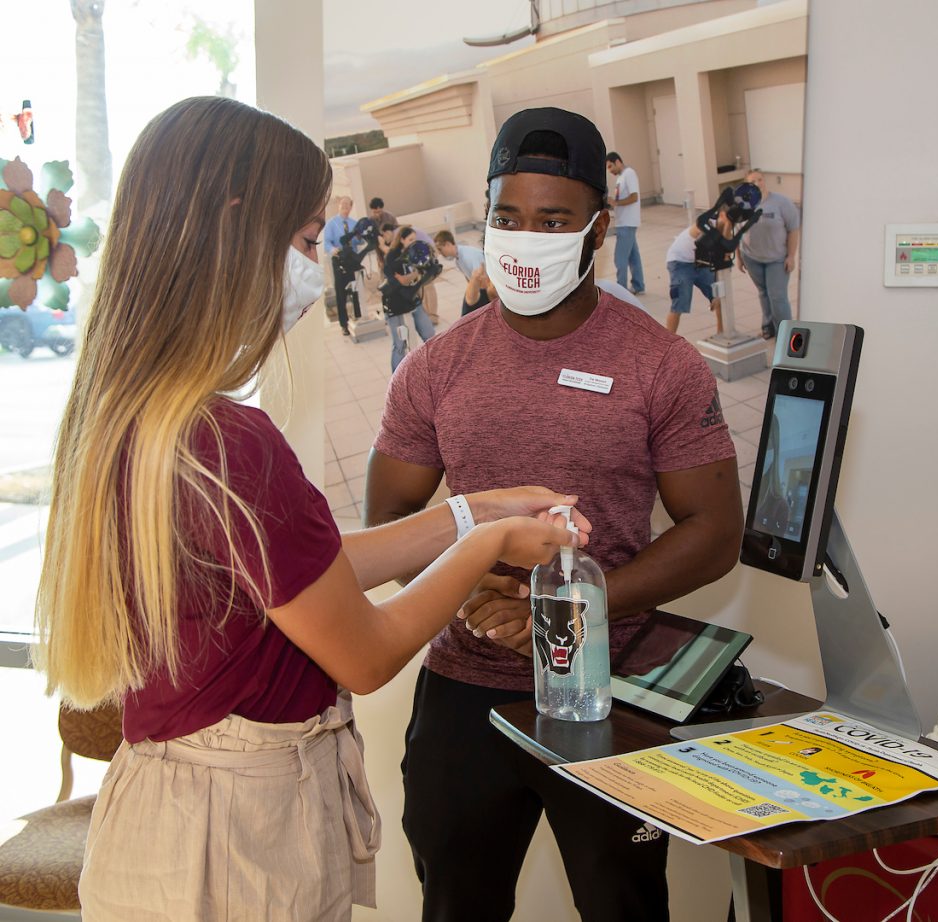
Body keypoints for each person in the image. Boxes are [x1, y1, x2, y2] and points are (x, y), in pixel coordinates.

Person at [33, 96, 590, 922]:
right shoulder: (229, 443)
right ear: (235, 227)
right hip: (238, 846)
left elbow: (305, 573)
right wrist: (495, 544)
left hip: (164, 817)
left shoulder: (141, 415)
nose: (310, 265)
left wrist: (472, 510)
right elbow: (362, 654)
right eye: (301, 242)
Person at [365, 106, 743, 922]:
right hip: (465, 690)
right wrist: (465, 592)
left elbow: (715, 533)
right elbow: (393, 512)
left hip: (611, 693)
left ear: (598, 229)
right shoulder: (435, 368)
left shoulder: (660, 365)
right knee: (456, 904)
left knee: (625, 906)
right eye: (507, 216)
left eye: (553, 219)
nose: (523, 237)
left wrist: (564, 605)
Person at [736, 169, 801, 340]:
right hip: (752, 257)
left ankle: (786, 335)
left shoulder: (781, 203)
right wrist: (739, 256)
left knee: (777, 296)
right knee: (763, 292)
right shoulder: (743, 203)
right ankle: (768, 327)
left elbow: (793, 229)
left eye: (760, 180)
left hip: (777, 259)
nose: (757, 184)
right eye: (752, 181)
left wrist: (791, 256)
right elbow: (737, 231)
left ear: (764, 181)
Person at [381, 224, 436, 372]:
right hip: (395, 304)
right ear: (402, 240)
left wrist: (417, 274)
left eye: (415, 239)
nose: (413, 242)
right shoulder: (393, 257)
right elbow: (401, 281)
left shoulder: (415, 252)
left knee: (430, 335)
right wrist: (414, 274)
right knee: (400, 344)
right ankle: (396, 380)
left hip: (412, 299)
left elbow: (421, 272)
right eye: (410, 239)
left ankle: (433, 370)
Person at [663, 220, 720, 336]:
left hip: (700, 261)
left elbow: (719, 262)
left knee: (720, 296)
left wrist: (717, 287)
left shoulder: (727, 231)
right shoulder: (707, 224)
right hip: (679, 262)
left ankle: (722, 331)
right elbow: (699, 230)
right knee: (679, 303)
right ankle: (668, 342)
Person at [606, 151, 645, 294]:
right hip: (624, 221)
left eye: (610, 166)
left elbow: (634, 197)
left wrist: (616, 202)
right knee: (633, 256)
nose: (610, 171)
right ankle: (638, 286)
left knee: (620, 258)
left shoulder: (629, 173)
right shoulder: (621, 178)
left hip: (627, 223)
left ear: (618, 162)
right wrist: (612, 203)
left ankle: (621, 292)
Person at [324, 195, 360, 335]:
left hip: (353, 261)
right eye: (343, 204)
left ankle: (358, 317)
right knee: (341, 293)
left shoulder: (354, 223)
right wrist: (333, 250)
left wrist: (358, 238)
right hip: (339, 261)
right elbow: (326, 242)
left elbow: (359, 241)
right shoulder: (332, 223)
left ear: (351, 207)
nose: (345, 206)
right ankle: (344, 324)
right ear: (339, 205)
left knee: (357, 291)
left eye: (348, 204)